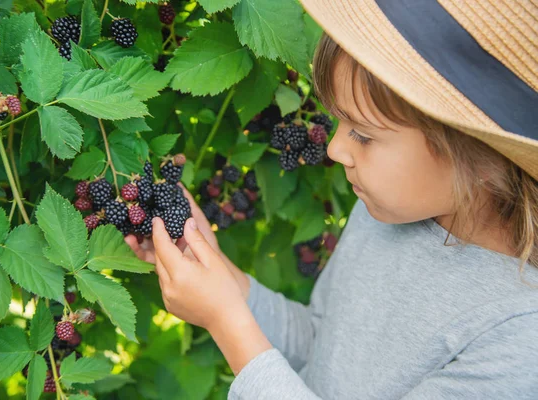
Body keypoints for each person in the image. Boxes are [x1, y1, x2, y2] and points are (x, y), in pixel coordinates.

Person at [125, 0, 538, 398]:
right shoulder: (384, 214)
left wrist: (226, 322)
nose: (336, 149)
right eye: (338, 123)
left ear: (481, 158)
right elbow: (321, 342)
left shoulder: (518, 338)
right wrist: (226, 283)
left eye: (363, 134)